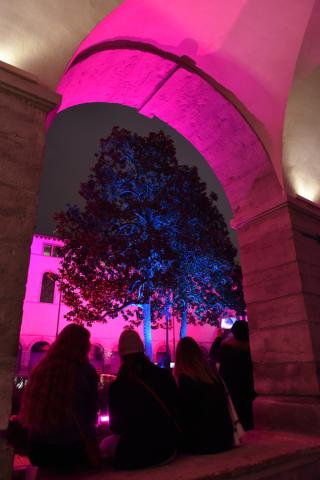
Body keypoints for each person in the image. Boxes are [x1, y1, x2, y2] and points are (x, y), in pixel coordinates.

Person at [19, 324, 99, 468]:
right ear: (82, 346)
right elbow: (91, 415)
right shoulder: (86, 371)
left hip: (37, 450)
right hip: (72, 450)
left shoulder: (41, 369)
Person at [100, 329, 179, 469]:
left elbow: (115, 427)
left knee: (104, 444)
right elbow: (175, 409)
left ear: (122, 357)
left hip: (133, 455)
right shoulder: (164, 376)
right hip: (166, 448)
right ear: (143, 352)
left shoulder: (117, 387)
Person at [174, 336, 234, 454]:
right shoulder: (212, 375)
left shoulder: (186, 379)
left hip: (204, 443)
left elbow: (186, 414)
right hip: (225, 439)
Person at [218, 320, 256, 431]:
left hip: (232, 389)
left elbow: (213, 354)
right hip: (250, 388)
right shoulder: (253, 349)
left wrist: (219, 337)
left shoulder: (226, 349)